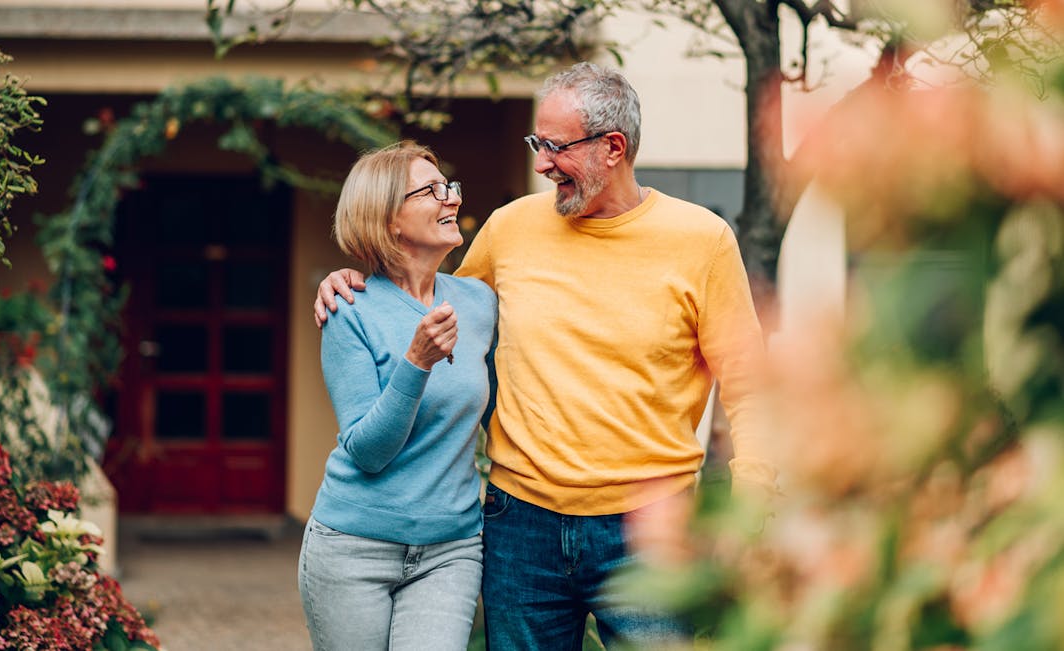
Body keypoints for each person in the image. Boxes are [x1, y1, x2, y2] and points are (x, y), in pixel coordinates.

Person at [312, 63, 776, 649]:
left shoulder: (702, 240)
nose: (540, 164)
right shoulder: (509, 230)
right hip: (520, 525)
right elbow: (428, 300)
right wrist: (357, 277)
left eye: (556, 147)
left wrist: (750, 505)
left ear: (613, 148)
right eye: (537, 143)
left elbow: (751, 385)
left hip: (650, 529)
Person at [298, 141, 498, 651]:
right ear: (388, 219)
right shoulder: (349, 311)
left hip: (450, 548)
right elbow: (366, 451)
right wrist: (417, 363)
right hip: (352, 546)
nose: (451, 198)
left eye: (449, 186)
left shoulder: (479, 304)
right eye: (432, 191)